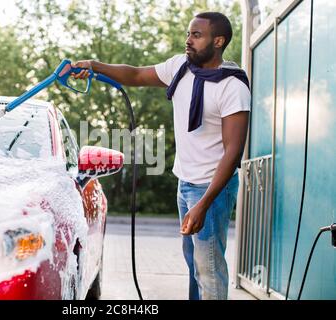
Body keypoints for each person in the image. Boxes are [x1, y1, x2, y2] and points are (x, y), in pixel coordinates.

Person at [72, 11, 251, 300]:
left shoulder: (233, 86)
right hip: (186, 183)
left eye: (196, 35)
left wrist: (204, 204)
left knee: (209, 268)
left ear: (218, 41)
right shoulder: (180, 67)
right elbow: (135, 74)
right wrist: (94, 66)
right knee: (194, 264)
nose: (188, 41)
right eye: (188, 34)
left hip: (212, 189)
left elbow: (234, 152)